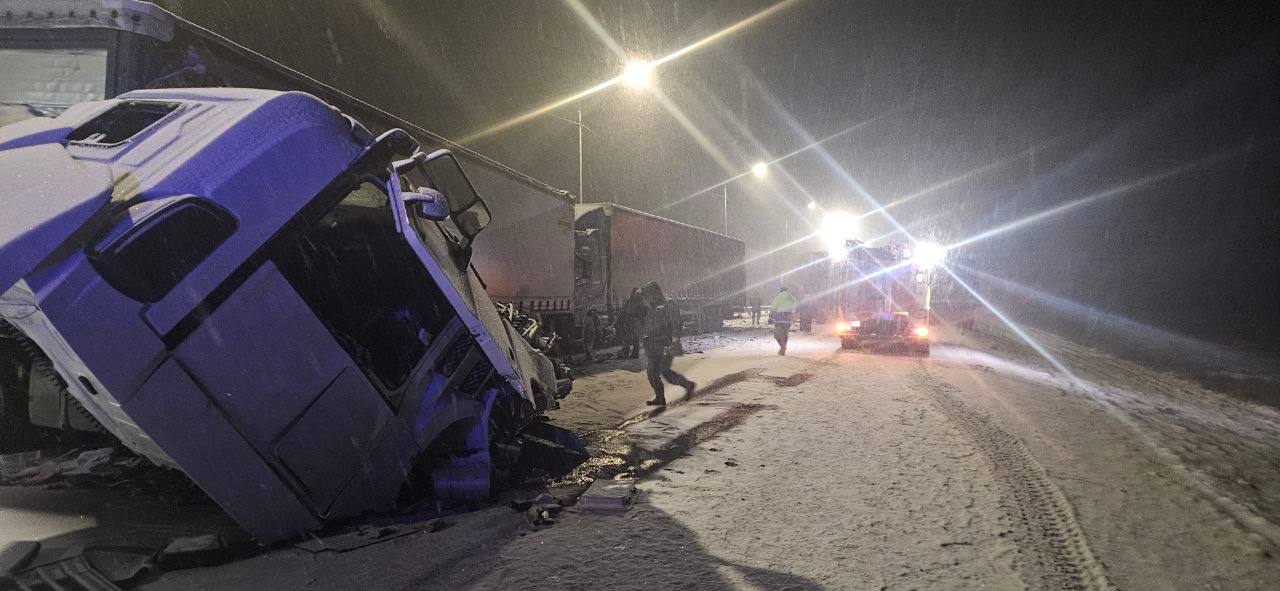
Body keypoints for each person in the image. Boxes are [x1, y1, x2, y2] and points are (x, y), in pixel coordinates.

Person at [638, 281, 696, 406]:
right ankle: (660, 398)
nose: (646, 298)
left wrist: (673, 340)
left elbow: (676, 324)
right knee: (652, 373)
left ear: (655, 293)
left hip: (666, 345)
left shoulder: (669, 305)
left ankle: (688, 385)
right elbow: (650, 326)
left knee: (664, 371)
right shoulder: (652, 308)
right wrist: (646, 338)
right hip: (653, 346)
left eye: (648, 295)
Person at [617, 287, 645, 359]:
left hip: (630, 320)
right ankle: (634, 354)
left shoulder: (630, 300)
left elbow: (624, 311)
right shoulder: (639, 300)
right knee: (634, 337)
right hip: (634, 320)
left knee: (629, 337)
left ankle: (627, 353)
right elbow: (641, 311)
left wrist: (620, 320)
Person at [769, 286, 798, 355]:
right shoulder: (792, 298)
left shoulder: (778, 297)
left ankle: (782, 346)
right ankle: (783, 347)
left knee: (777, 334)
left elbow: (774, 307)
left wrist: (771, 317)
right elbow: (794, 307)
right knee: (785, 333)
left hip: (779, 316)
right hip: (788, 316)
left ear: (781, 291)